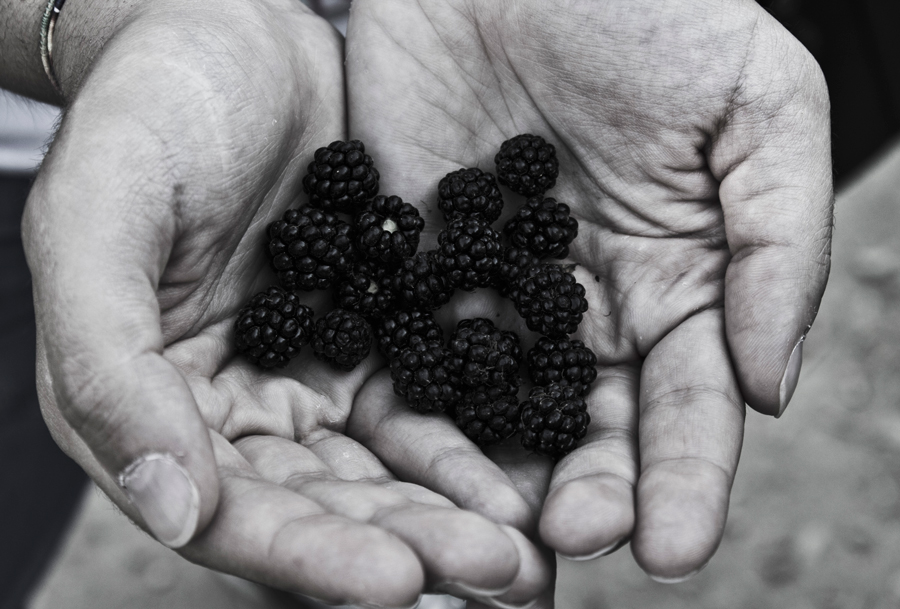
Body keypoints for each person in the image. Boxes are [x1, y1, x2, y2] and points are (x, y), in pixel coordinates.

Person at [0, 0, 832, 607]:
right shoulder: (380, 269)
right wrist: (94, 23)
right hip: (79, 151)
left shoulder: (479, 265)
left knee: (333, 519)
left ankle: (351, 584)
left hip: (586, 102)